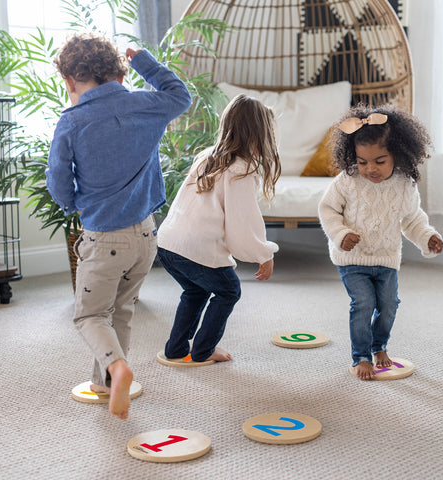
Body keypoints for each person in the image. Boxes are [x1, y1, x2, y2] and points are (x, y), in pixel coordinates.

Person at [46, 33, 191, 418]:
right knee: (121, 310)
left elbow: (59, 183)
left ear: (70, 82)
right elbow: (181, 94)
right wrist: (143, 60)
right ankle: (106, 384)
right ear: (121, 76)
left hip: (103, 239)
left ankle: (116, 368)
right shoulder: (147, 104)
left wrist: (74, 204)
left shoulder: (72, 121)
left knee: (91, 315)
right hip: (146, 237)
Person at [318, 104, 443, 380]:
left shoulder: (404, 185)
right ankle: (361, 356)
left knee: (389, 305)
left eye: (379, 161)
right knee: (363, 303)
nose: (369, 168)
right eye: (362, 162)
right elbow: (328, 210)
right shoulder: (347, 180)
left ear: (397, 155)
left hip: (386, 258)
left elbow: (412, 220)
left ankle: (379, 347)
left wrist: (428, 237)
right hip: (352, 260)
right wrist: (340, 235)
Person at [157, 94, 281, 363]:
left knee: (195, 290)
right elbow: (242, 224)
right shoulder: (241, 171)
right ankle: (203, 350)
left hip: (168, 244)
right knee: (228, 291)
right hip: (196, 248)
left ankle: (176, 348)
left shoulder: (207, 156)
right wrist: (264, 253)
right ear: (256, 137)